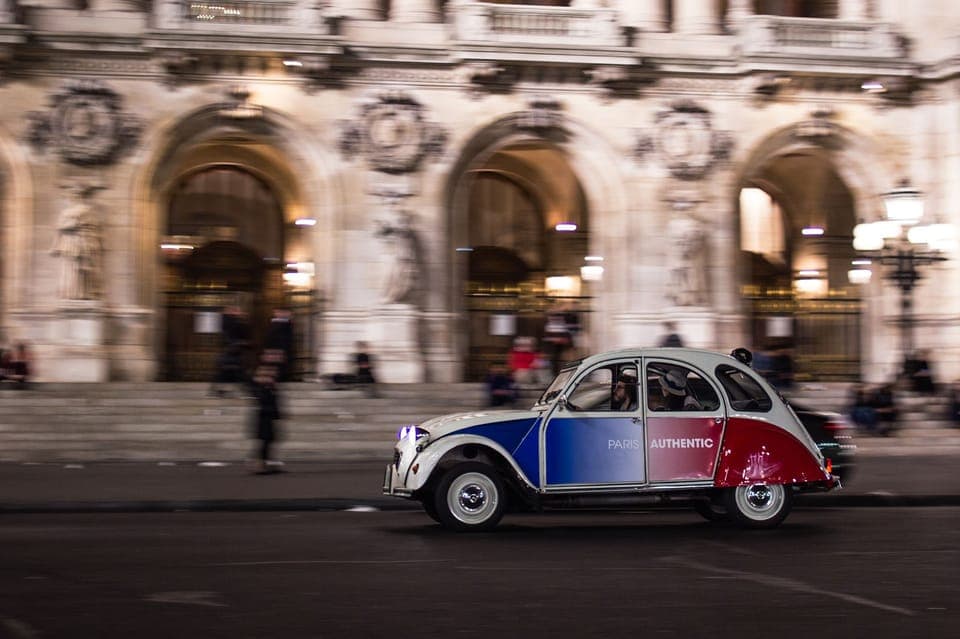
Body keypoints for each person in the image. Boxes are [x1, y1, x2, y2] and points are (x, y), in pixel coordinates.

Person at [50, 184, 103, 300]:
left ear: (81, 196)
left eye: (76, 195)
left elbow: (93, 226)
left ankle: (84, 294)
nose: (74, 197)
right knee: (70, 268)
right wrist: (56, 245)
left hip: (83, 242)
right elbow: (59, 227)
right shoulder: (66, 212)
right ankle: (70, 294)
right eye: (72, 195)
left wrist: (85, 229)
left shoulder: (88, 210)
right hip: (70, 243)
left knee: (82, 269)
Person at [248, 359, 283, 474]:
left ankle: (268, 464)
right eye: (271, 372)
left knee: (269, 442)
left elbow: (275, 401)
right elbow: (262, 402)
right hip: (263, 418)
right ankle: (258, 465)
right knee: (264, 442)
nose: (274, 374)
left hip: (269, 417)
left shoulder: (271, 386)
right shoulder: (260, 387)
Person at [209, 306, 251, 397]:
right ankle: (246, 390)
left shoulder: (227, 321)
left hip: (231, 349)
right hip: (232, 350)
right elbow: (237, 334)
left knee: (228, 371)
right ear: (233, 312)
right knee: (237, 371)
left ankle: (215, 390)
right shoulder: (232, 321)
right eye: (238, 311)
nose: (240, 313)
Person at [264, 308, 294, 382]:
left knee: (276, 367)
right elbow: (281, 338)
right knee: (278, 368)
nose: (290, 315)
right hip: (279, 350)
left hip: (277, 350)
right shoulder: (282, 324)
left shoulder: (276, 324)